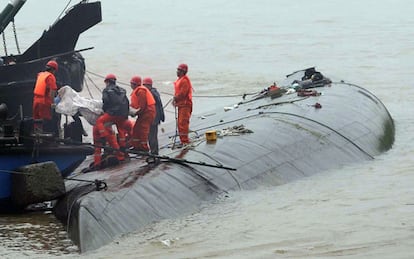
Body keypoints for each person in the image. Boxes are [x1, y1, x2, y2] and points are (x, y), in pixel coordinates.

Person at [93, 74, 130, 167]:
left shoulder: (106, 90)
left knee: (99, 122)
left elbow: (106, 101)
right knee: (121, 129)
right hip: (123, 114)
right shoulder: (122, 90)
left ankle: (103, 136)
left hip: (113, 113)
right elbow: (127, 102)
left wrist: (106, 111)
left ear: (107, 82)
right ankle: (122, 148)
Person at [129, 75, 156, 152]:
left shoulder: (141, 91)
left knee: (143, 130)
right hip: (144, 112)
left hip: (148, 112)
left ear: (135, 84)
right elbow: (135, 104)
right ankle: (136, 145)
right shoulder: (138, 91)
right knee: (136, 129)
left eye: (131, 83)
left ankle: (144, 147)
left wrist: (135, 113)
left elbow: (142, 106)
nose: (130, 85)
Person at [32, 60, 59, 132]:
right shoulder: (50, 76)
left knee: (37, 121)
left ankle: (37, 136)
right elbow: (52, 91)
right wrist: (53, 103)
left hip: (35, 100)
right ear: (53, 70)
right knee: (46, 120)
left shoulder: (40, 75)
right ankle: (46, 139)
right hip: (44, 101)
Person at [142, 77, 165, 155]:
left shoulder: (150, 94)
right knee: (152, 135)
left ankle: (154, 153)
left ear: (149, 85)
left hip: (153, 118)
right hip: (156, 117)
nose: (143, 87)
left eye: (145, 85)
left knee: (151, 136)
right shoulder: (155, 92)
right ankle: (154, 151)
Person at [173, 63, 192, 145]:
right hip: (181, 105)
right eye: (177, 70)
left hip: (185, 105)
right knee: (180, 123)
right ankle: (183, 140)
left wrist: (175, 98)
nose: (177, 72)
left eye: (179, 70)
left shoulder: (184, 81)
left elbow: (182, 93)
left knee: (183, 123)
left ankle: (185, 141)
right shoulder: (180, 80)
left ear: (183, 72)